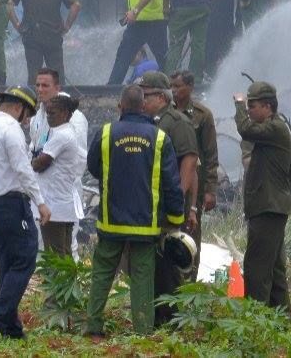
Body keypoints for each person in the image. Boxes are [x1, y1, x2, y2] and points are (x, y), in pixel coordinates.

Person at [85, 85, 185, 337]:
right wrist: (175, 219)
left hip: (111, 221)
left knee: (102, 274)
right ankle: (143, 331)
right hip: (145, 224)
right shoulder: (159, 138)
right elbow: (172, 183)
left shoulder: (106, 133)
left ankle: (93, 328)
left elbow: (94, 168)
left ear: (120, 106)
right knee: (142, 278)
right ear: (143, 107)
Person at [0, 86, 51, 340]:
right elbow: (23, 168)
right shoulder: (10, 129)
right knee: (25, 257)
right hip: (11, 203)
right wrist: (40, 202)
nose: (26, 121)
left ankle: (11, 328)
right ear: (18, 108)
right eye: (26, 116)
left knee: (6, 264)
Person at [137, 71, 198, 326]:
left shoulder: (176, 122)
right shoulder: (151, 121)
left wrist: (179, 198)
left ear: (161, 96)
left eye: (146, 95)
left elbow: (190, 160)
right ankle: (158, 314)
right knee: (155, 262)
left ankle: (171, 317)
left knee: (168, 263)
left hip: (167, 204)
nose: (142, 100)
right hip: (153, 203)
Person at [232, 82, 291, 313]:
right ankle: (280, 317)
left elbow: (246, 129)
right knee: (274, 267)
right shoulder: (275, 131)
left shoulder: (274, 128)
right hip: (272, 206)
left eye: (253, 105)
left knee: (256, 267)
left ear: (268, 106)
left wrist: (238, 105)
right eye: (247, 105)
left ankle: (256, 321)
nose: (249, 110)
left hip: (267, 207)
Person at [30, 68, 90, 252]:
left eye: (45, 85)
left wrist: (61, 175)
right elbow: (33, 148)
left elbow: (79, 158)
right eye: (38, 85)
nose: (40, 89)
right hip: (42, 190)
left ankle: (62, 281)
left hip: (63, 190)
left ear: (57, 87)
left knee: (64, 248)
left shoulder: (74, 119)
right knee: (43, 247)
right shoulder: (38, 116)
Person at [170, 70, 219, 281]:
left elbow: (210, 154)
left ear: (189, 87)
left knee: (191, 231)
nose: (173, 90)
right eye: (171, 86)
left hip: (194, 184)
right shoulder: (167, 112)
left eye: (178, 86)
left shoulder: (202, 115)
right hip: (171, 180)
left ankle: (190, 277)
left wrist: (210, 190)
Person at [8, 0, 81, 84]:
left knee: (33, 73)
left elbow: (9, 5)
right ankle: (58, 101)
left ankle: (33, 101)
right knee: (56, 74)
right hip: (53, 35)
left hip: (30, 36)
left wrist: (17, 25)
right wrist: (67, 26)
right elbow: (76, 5)